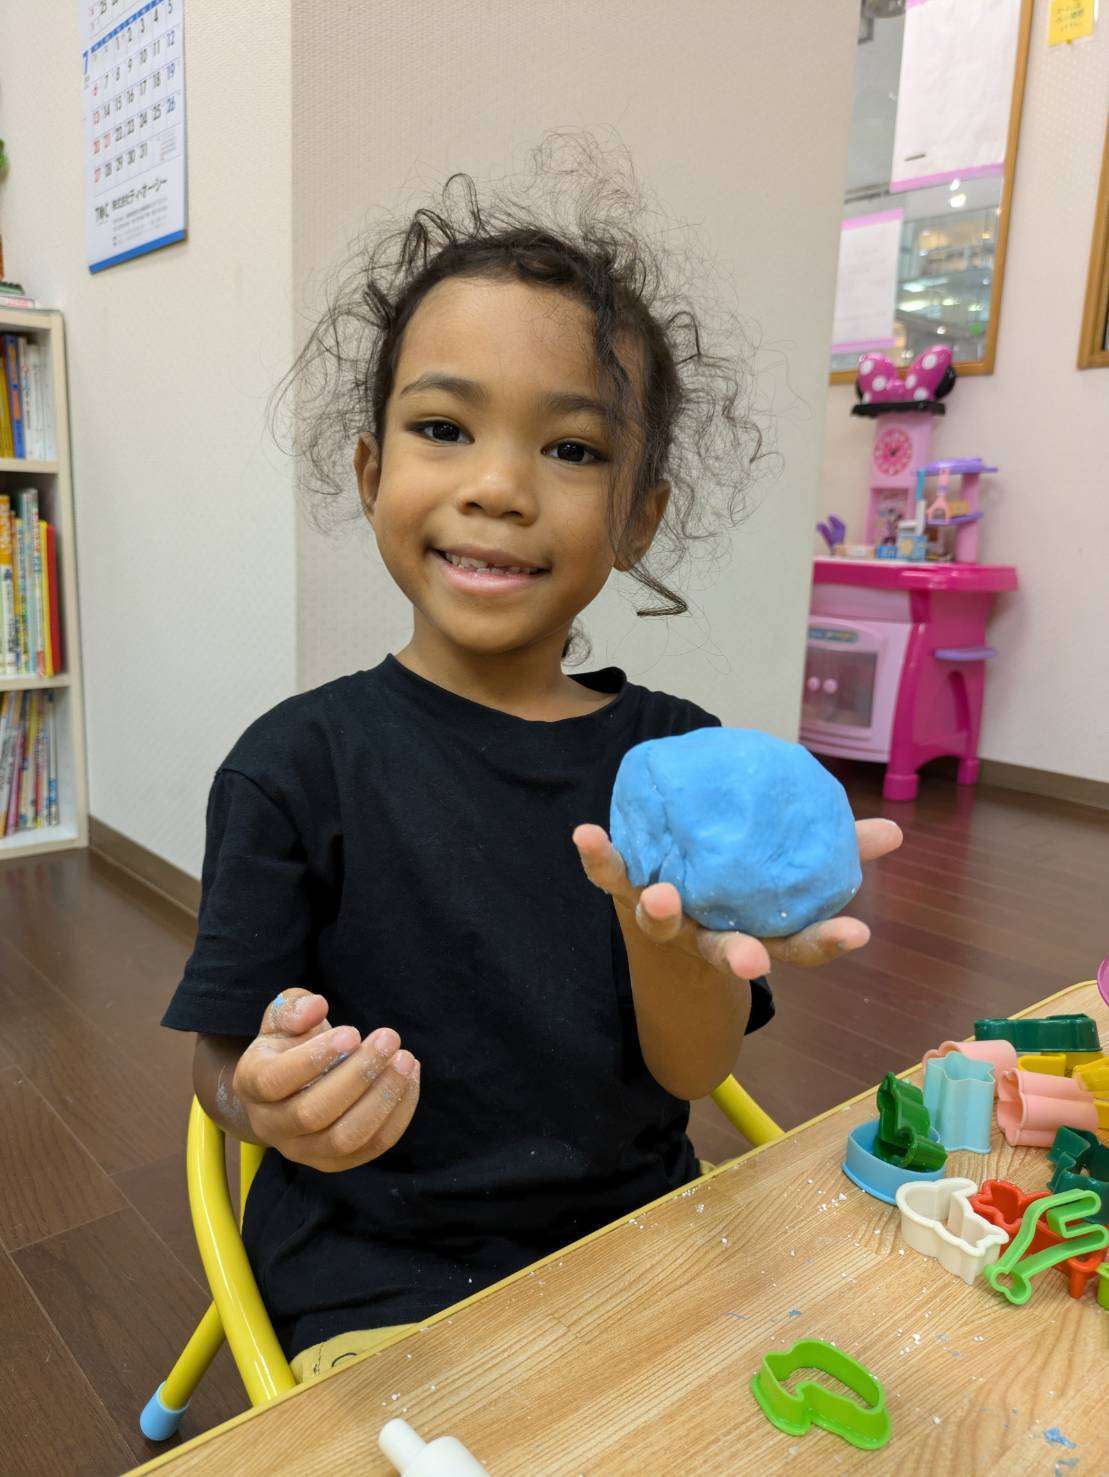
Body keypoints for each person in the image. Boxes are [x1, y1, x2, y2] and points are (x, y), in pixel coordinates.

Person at [160, 134, 902, 1384]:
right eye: (442, 427)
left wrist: (667, 940)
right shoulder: (293, 767)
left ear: (638, 515)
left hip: (637, 1238)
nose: (500, 486)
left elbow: (693, 1070)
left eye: (571, 449)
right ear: (371, 469)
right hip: (375, 1265)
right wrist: (264, 1099)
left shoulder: (675, 757)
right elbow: (223, 1058)